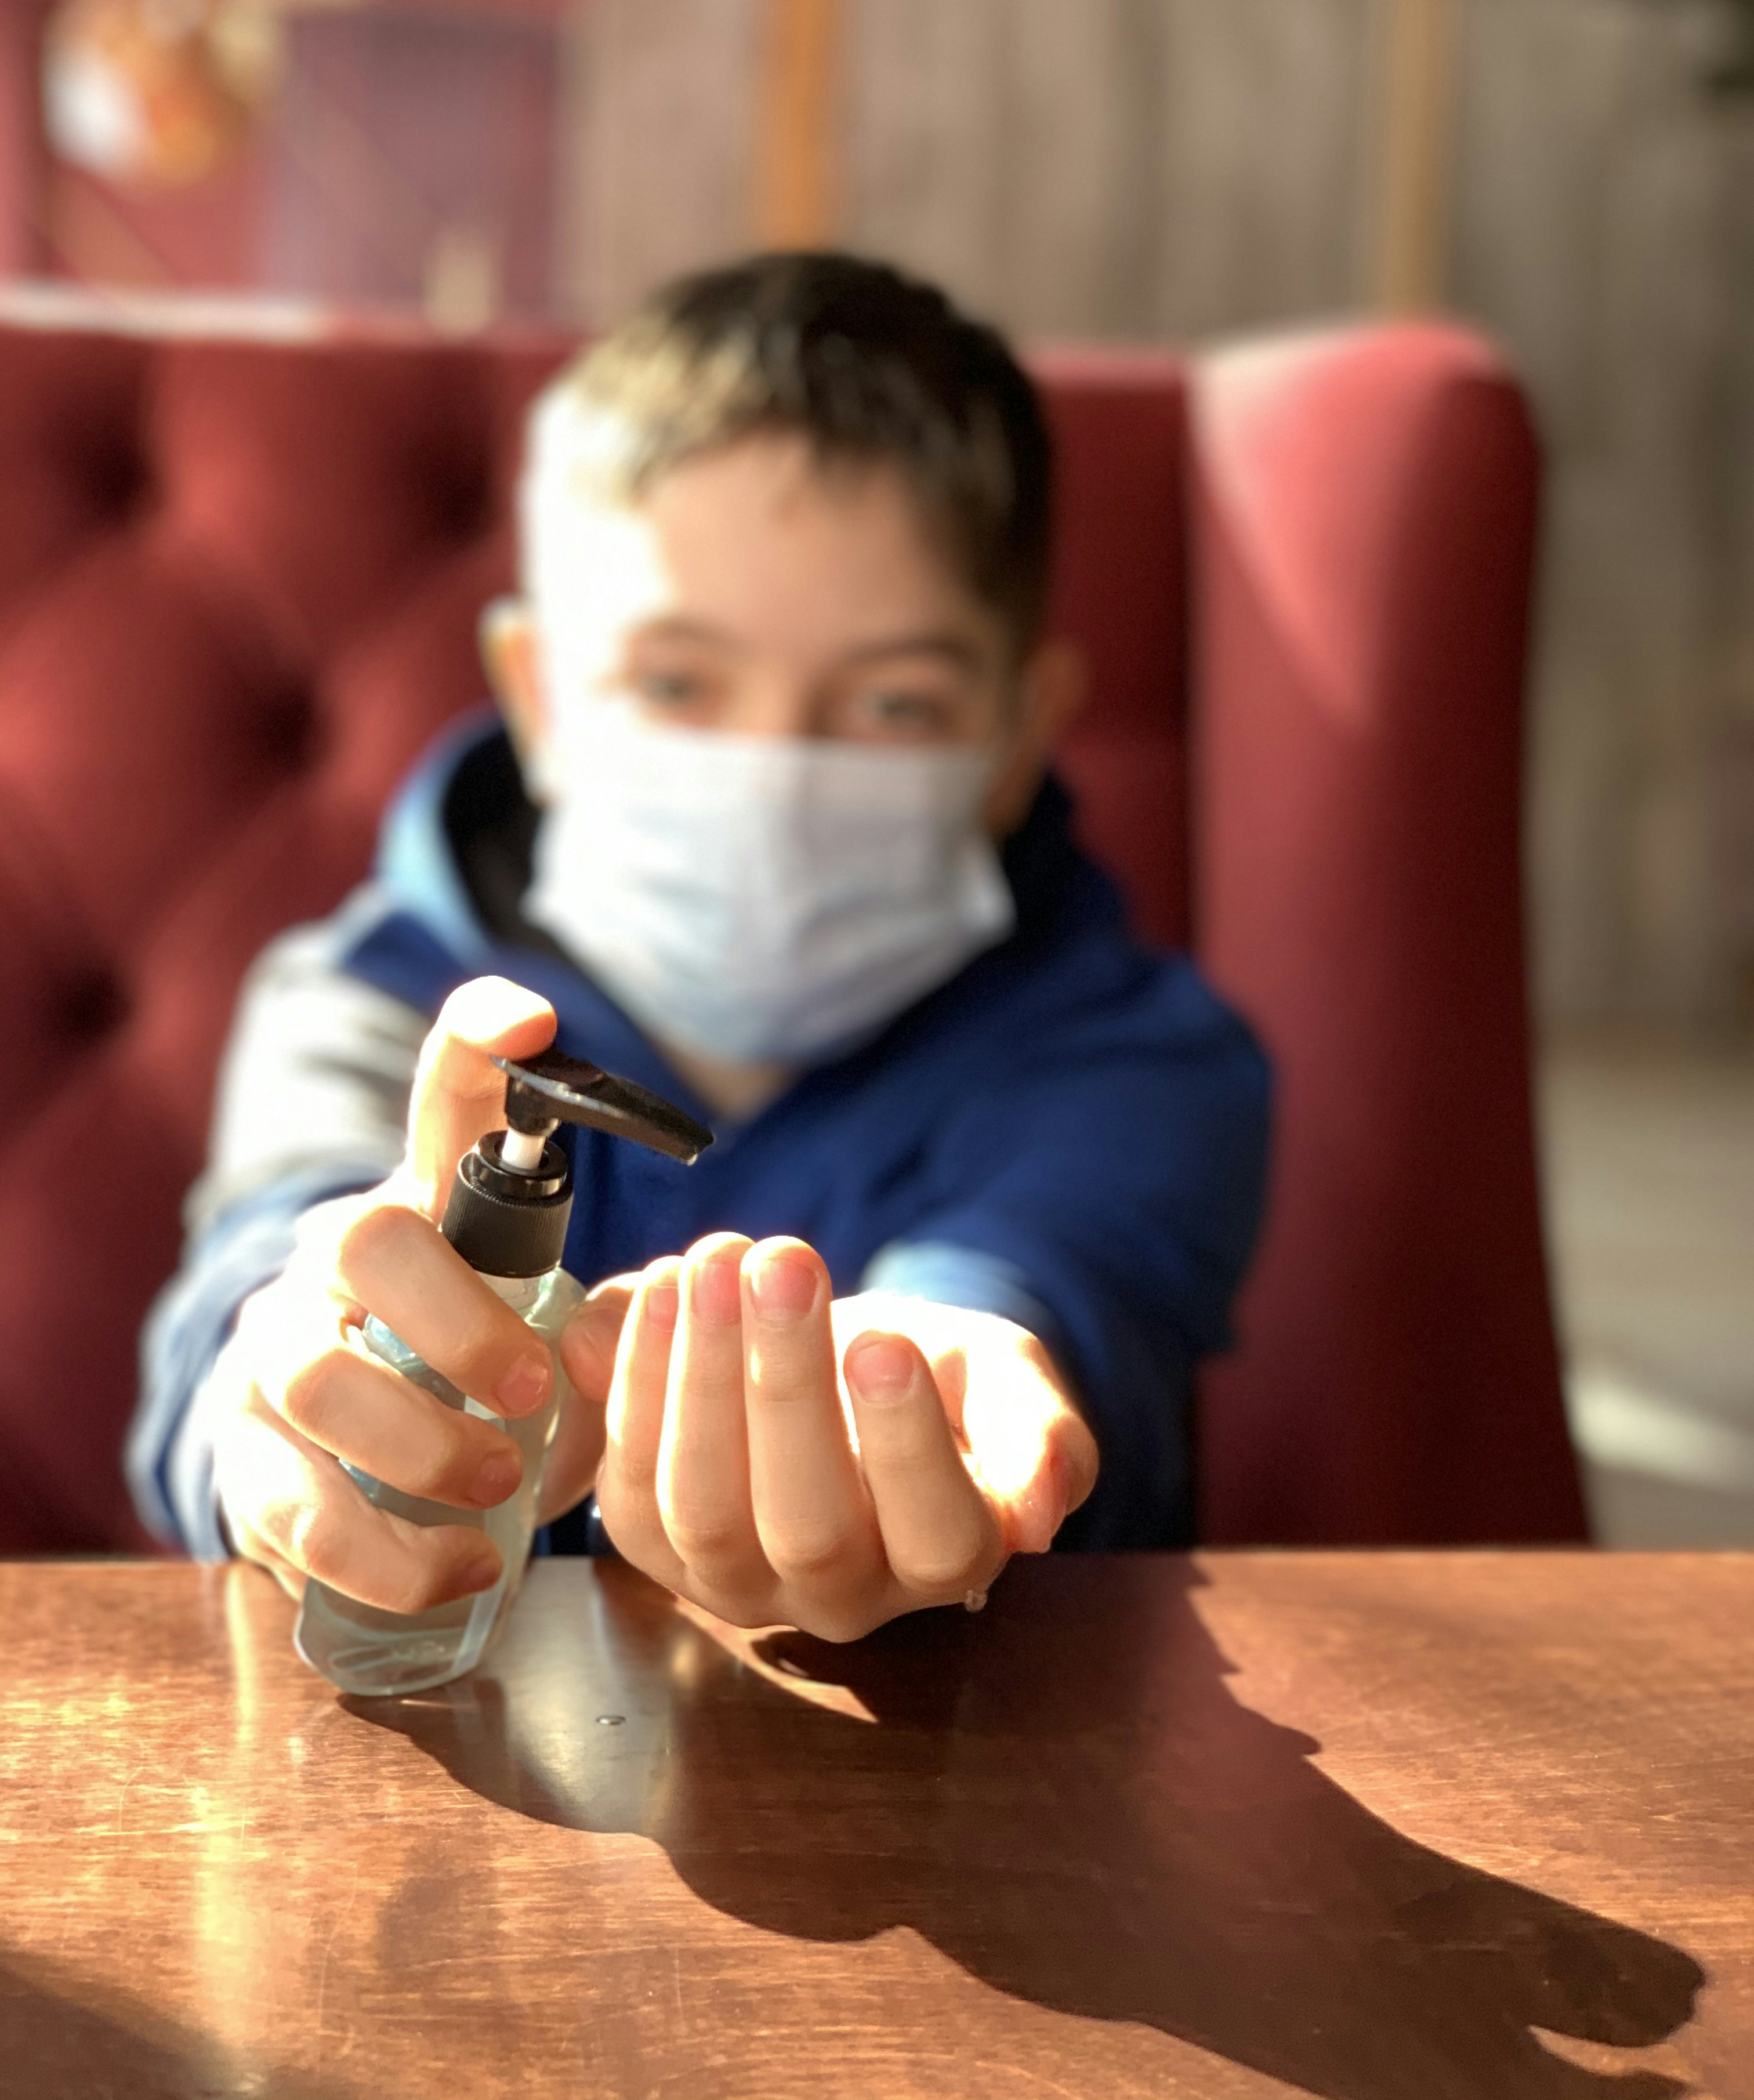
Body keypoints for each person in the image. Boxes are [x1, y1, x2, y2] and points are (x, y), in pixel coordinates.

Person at [128, 251, 1270, 1643]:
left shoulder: (1141, 1062)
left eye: (895, 705)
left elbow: (1040, 1290)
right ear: (540, 697)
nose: (774, 777)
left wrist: (925, 1395)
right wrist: (284, 1390)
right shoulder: (359, 1007)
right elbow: (257, 1292)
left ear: (1019, 735)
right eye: (676, 681)